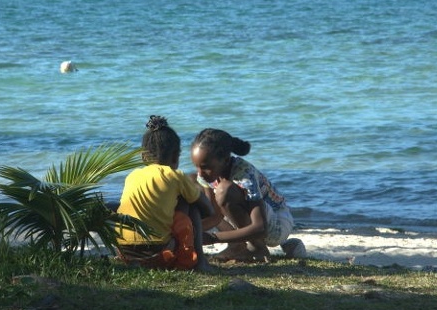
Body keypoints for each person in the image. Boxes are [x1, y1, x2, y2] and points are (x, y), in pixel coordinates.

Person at [190, 128, 306, 262]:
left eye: (205, 167)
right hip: (252, 222)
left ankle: (257, 249)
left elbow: (260, 227)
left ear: (226, 160)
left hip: (276, 224)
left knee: (224, 191)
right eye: (197, 166)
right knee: (191, 184)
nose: (201, 173)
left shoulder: (244, 174)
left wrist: (213, 238)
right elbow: (215, 216)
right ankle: (237, 245)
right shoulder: (204, 176)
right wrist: (191, 234)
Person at [116, 115, 214, 271]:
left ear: (143, 156)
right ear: (176, 156)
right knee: (190, 205)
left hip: (125, 254)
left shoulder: (132, 176)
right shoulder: (175, 175)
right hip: (159, 255)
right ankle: (200, 263)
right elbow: (208, 210)